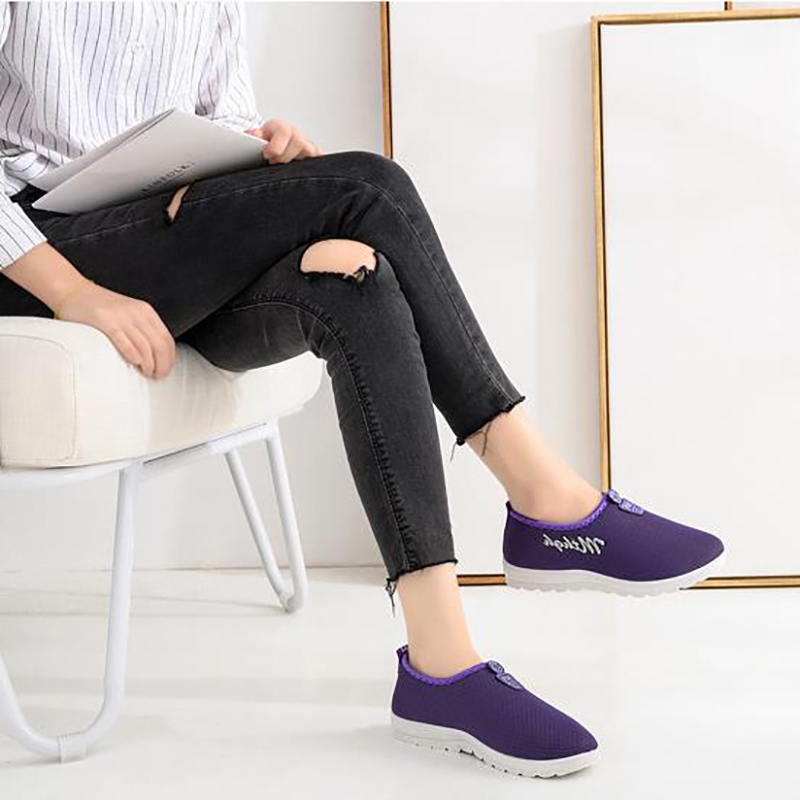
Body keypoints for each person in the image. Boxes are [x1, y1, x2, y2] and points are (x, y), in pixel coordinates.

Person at [0, 1, 725, 778]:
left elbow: (217, 118)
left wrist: (259, 153)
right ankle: (549, 501)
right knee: (368, 187)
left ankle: (441, 669)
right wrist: (76, 294)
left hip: (169, 239)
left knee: (354, 280)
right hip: (40, 249)